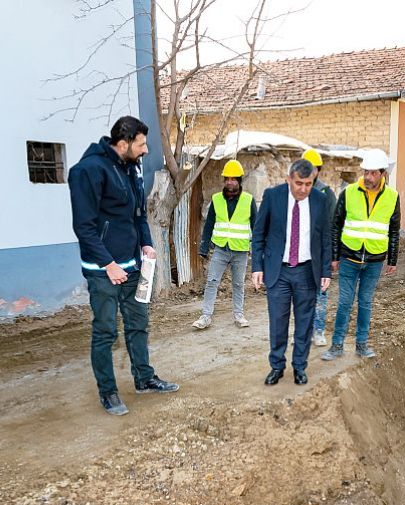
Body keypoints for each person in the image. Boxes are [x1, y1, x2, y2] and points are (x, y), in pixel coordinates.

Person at [69, 116, 179, 416]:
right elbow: (84, 227)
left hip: (133, 265)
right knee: (106, 331)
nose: (145, 150)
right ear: (123, 143)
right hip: (103, 270)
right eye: (141, 144)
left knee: (138, 324)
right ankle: (108, 392)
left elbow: (139, 214)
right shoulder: (88, 171)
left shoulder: (132, 168)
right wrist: (108, 264)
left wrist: (146, 244)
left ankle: (144, 379)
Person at [251, 159, 332, 386]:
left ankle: (299, 367)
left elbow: (325, 238)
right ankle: (277, 366)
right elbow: (258, 235)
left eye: (308, 183)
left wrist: (325, 270)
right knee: (278, 322)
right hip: (279, 271)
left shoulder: (320, 200)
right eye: (299, 183)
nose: (304, 189)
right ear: (289, 179)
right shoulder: (272, 197)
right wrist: (257, 266)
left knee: (305, 323)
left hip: (307, 272)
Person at [321, 149, 401, 361]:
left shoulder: (393, 197)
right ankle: (337, 345)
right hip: (349, 257)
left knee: (365, 303)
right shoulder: (348, 193)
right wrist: (335, 256)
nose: (368, 177)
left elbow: (394, 230)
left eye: (373, 173)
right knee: (345, 303)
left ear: (383, 174)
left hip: (375, 260)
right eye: (366, 172)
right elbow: (336, 225)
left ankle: (361, 345)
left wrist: (392, 259)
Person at [192, 159, 258, 329]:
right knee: (212, 281)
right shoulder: (216, 199)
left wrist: (258, 251)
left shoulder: (248, 200)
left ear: (239, 181)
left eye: (233, 179)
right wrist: (204, 248)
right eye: (227, 178)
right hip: (221, 249)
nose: (230, 182)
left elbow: (256, 228)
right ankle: (205, 316)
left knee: (238, 284)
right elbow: (209, 225)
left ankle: (239, 315)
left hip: (240, 251)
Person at [302, 148, 338, 347]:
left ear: (318, 170)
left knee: (320, 294)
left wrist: (332, 256)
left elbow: (332, 226)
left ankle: (319, 331)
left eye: (313, 168)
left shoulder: (326, 193)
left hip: (319, 253)